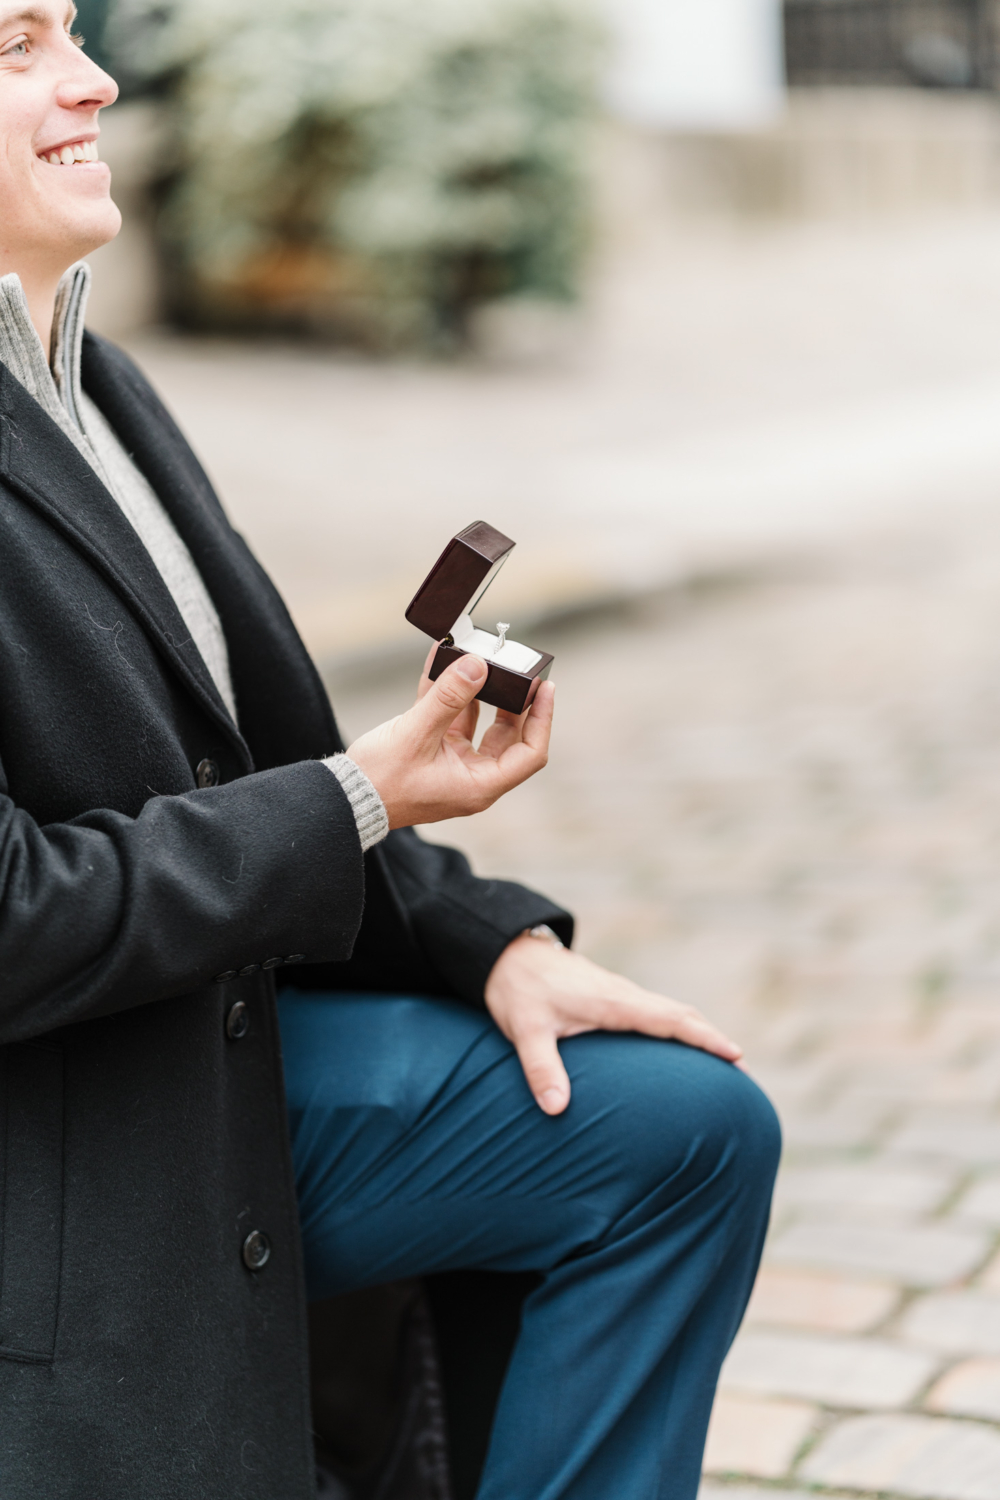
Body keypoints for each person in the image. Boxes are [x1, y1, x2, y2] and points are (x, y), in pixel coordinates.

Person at [0, 5, 781, 1498]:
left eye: (77, 29)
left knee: (682, 1132)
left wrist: (482, 938)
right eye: (13, 47)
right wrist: (362, 793)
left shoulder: (101, 383)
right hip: (65, 1153)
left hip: (198, 1052)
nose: (95, 77)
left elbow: (264, 760)